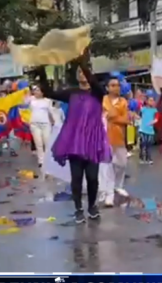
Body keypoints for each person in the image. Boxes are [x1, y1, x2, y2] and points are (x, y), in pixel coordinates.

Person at [34, 54, 111, 223]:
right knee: (76, 178)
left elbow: (93, 81)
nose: (82, 74)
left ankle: (92, 206)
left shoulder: (98, 92)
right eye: (79, 72)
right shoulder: (72, 93)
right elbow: (49, 92)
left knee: (92, 178)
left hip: (93, 142)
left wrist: (80, 59)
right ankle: (78, 209)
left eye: (84, 72)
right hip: (75, 142)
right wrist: (41, 72)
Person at [103, 77, 131, 207]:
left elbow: (126, 120)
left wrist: (112, 116)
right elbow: (101, 116)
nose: (116, 87)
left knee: (122, 164)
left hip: (119, 137)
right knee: (108, 166)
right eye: (113, 85)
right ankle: (108, 193)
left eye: (118, 85)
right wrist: (112, 116)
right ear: (107, 88)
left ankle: (118, 185)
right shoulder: (103, 100)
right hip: (104, 137)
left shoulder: (123, 102)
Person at [28, 85, 55, 167]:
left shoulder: (47, 101)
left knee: (47, 142)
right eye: (35, 90)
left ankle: (49, 159)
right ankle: (41, 160)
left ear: (42, 92)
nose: (36, 92)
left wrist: (54, 121)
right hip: (34, 124)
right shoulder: (31, 100)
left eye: (38, 90)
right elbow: (23, 103)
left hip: (45, 124)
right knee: (38, 143)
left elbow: (51, 111)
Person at [138, 95, 158, 164]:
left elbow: (157, 118)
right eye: (150, 100)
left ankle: (148, 158)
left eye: (152, 100)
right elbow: (138, 115)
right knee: (143, 144)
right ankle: (141, 157)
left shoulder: (155, 110)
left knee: (149, 145)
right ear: (147, 101)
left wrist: (154, 121)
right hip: (143, 130)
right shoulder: (143, 109)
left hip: (150, 130)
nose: (151, 102)